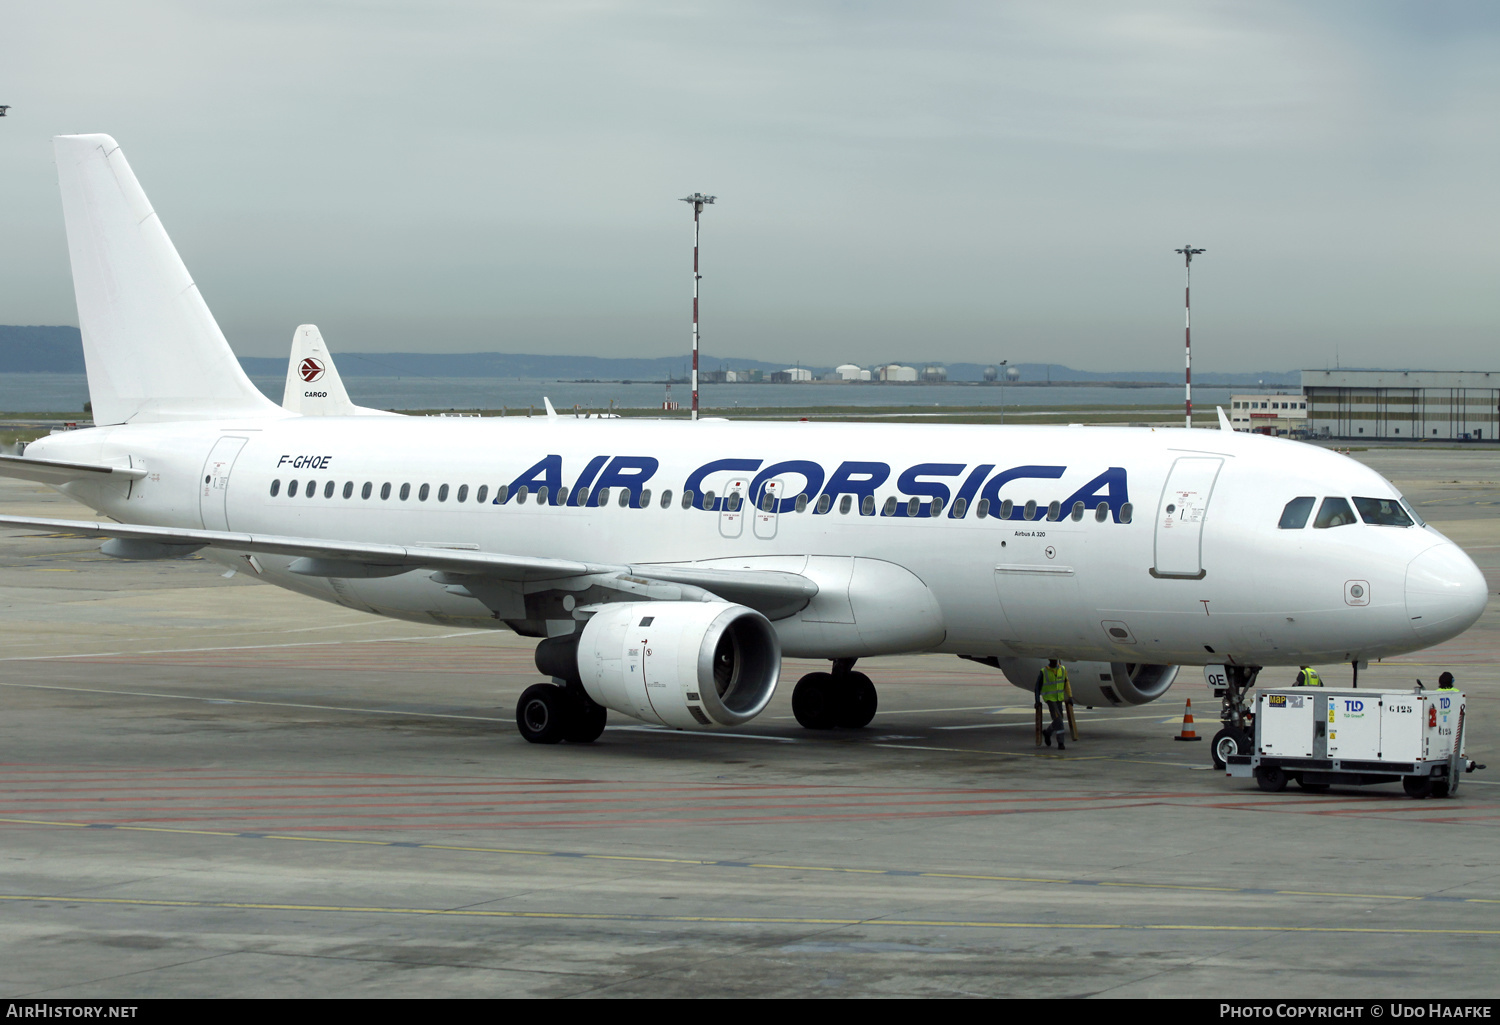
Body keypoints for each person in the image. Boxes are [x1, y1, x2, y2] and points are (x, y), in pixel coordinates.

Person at [1035, 658, 1069, 750]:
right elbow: (1037, 686)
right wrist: (1037, 700)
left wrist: (1069, 697)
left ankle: (1047, 732)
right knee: (1059, 720)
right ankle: (1061, 743)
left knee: (1059, 719)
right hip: (1050, 699)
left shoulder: (1062, 669)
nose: (1054, 661)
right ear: (1049, 660)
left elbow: (1066, 683)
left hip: (1059, 698)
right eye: (1052, 660)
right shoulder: (1044, 671)